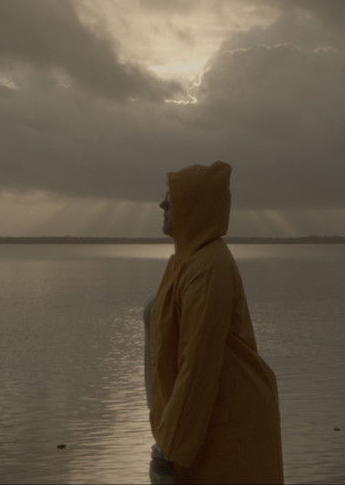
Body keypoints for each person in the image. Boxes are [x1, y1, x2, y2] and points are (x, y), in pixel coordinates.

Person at [142, 161, 284, 484]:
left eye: (172, 198)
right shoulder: (183, 261)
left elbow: (199, 366)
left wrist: (170, 451)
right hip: (197, 427)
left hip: (222, 430)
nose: (162, 205)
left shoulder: (209, 267)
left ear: (195, 206)